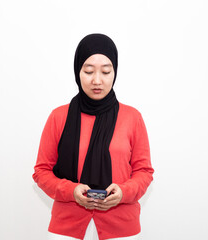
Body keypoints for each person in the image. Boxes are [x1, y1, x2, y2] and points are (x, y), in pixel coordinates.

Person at [33, 33, 154, 240]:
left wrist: (123, 192)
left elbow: (144, 171)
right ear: (77, 71)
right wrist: (71, 191)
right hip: (67, 227)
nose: (97, 80)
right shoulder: (59, 117)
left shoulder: (132, 117)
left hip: (121, 226)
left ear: (114, 72)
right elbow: (41, 172)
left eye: (106, 71)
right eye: (88, 71)